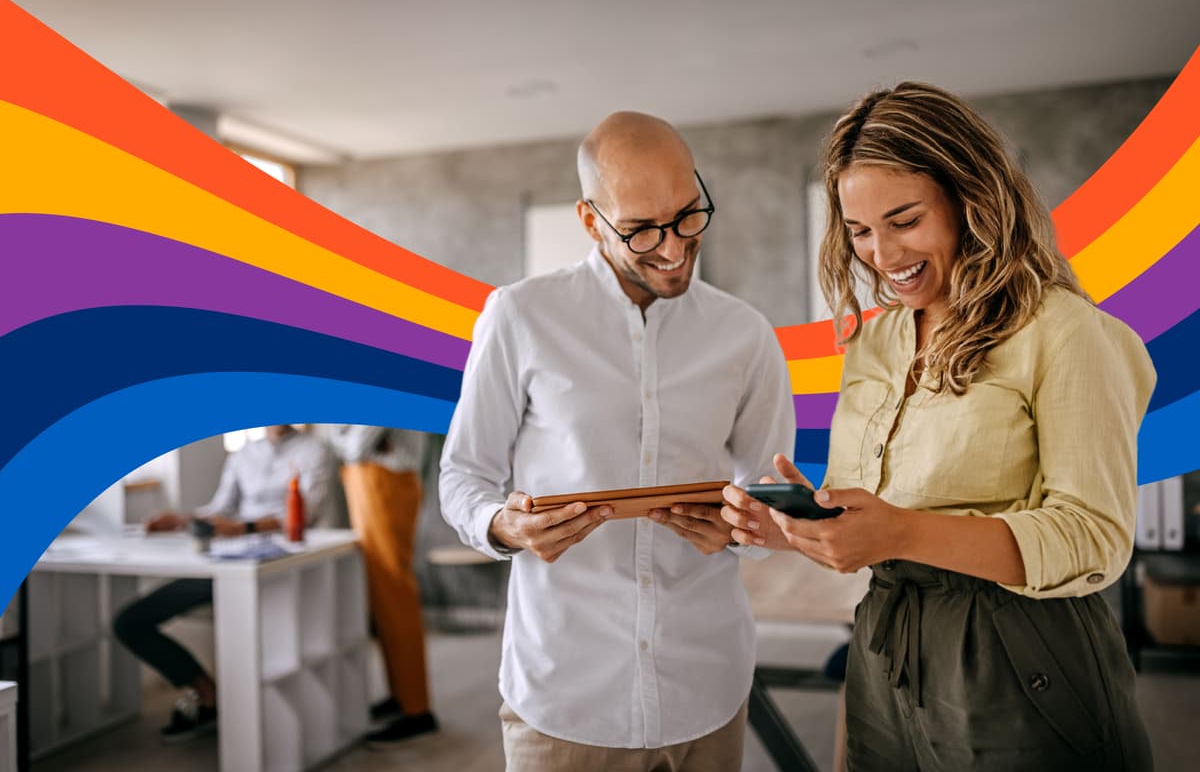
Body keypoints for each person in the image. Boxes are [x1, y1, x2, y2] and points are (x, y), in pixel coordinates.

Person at [722, 82, 1156, 771]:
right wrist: (790, 527)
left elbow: (1094, 537)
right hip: (885, 649)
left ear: (970, 199)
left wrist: (900, 531)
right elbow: (871, 510)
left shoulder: (1064, 332)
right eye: (860, 231)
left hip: (1021, 656)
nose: (882, 255)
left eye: (904, 220)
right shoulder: (874, 342)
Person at [440, 111, 795, 770]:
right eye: (640, 231)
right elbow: (463, 476)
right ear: (589, 221)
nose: (673, 247)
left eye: (689, 215)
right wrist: (504, 525)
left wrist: (753, 524)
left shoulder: (745, 335)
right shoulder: (519, 316)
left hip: (707, 684)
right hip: (566, 694)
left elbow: (768, 491)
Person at [113, 424, 333, 742]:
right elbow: (219, 510)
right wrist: (182, 520)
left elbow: (307, 514)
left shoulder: (314, 451)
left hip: (278, 567)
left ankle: (256, 719)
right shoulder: (244, 453)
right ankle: (207, 694)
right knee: (130, 622)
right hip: (229, 563)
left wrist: (243, 527)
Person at [327, 425, 437, 742]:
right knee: (384, 597)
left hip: (385, 483)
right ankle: (401, 695)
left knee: (394, 594)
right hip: (372, 482)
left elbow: (353, 446)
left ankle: (417, 709)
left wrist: (339, 431)